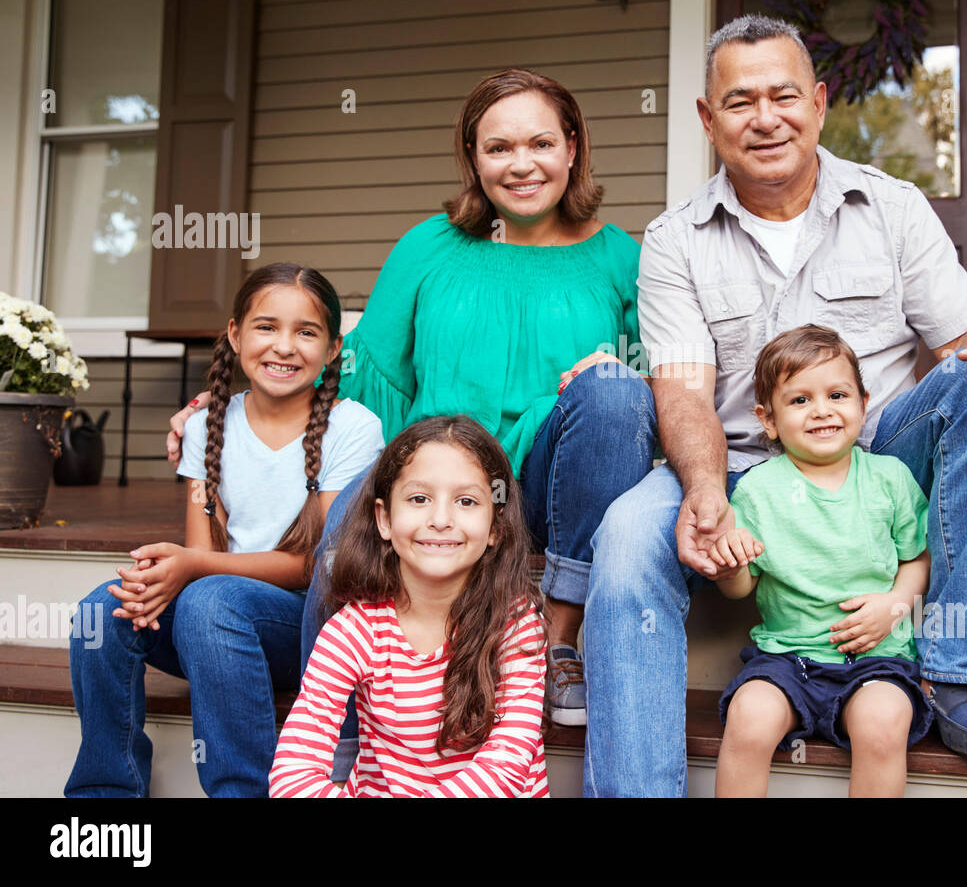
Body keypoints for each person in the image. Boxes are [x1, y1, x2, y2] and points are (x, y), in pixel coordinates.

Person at [583, 14, 967, 796]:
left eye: (784, 95)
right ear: (707, 119)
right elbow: (685, 390)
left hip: (872, 458)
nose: (765, 118)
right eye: (738, 102)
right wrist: (703, 491)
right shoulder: (676, 239)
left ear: (821, 102)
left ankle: (956, 670)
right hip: (734, 463)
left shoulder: (893, 208)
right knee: (629, 538)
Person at [167, 70, 653, 759]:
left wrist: (608, 374)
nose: (521, 164)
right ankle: (338, 755)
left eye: (541, 143)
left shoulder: (622, 259)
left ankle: (559, 640)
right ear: (472, 156)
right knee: (343, 533)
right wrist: (229, 403)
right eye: (498, 147)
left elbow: (666, 393)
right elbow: (363, 368)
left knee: (615, 392)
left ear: (572, 148)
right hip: (427, 481)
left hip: (549, 491)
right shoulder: (430, 246)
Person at [67, 263, 385, 797]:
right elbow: (202, 551)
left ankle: (242, 790)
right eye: (266, 327)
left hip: (309, 628)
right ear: (236, 334)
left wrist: (194, 568)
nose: (283, 346)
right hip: (216, 626)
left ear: (333, 349)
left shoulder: (353, 428)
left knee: (211, 599)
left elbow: (321, 565)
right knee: (103, 610)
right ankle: (106, 796)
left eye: (306, 332)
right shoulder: (205, 425)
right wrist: (172, 573)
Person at [708, 325, 933, 798]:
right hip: (788, 659)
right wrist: (730, 568)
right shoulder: (756, 490)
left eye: (837, 394)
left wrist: (894, 605)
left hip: (877, 660)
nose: (823, 410)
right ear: (767, 420)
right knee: (749, 718)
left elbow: (917, 559)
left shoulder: (890, 479)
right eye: (800, 400)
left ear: (863, 403)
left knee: (882, 724)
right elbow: (742, 586)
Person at [270, 415, 548, 797]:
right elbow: (293, 770)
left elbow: (507, 762)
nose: (440, 520)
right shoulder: (353, 631)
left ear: (495, 527)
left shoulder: (514, 625)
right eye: (419, 499)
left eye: (466, 501)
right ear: (384, 519)